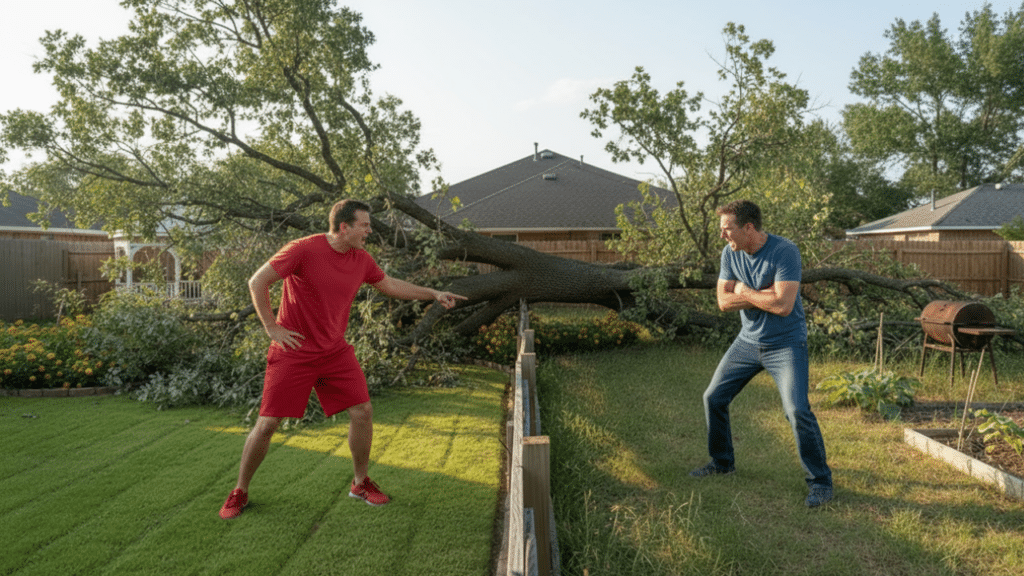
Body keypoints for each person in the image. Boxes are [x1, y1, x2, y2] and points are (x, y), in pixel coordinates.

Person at [219, 199, 467, 519]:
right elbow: (257, 281)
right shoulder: (303, 249)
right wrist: (271, 327)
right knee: (268, 423)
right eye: (364, 225)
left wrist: (433, 293)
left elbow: (389, 285)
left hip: (334, 351)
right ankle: (239, 491)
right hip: (293, 352)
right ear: (343, 227)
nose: (369, 230)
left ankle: (360, 482)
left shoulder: (361, 259)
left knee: (363, 411)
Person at [689, 199, 833, 508]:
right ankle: (722, 463)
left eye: (727, 229)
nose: (722, 236)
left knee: (796, 410)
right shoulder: (730, 253)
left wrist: (744, 291)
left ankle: (820, 483)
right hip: (747, 342)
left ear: (748, 228)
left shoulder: (784, 251)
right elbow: (723, 303)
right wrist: (762, 296)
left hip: (786, 344)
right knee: (713, 398)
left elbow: (783, 306)